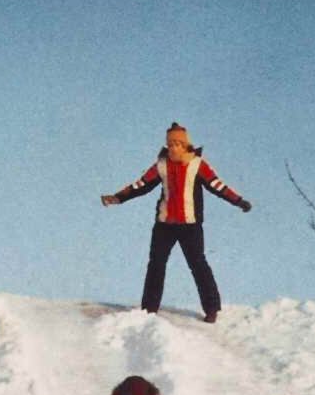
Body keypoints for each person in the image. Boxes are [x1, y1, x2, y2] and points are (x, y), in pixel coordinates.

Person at [101, 121, 251, 323]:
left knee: (198, 264)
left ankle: (212, 308)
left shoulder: (198, 165)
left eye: (177, 144)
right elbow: (141, 184)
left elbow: (218, 186)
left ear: (185, 145)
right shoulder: (161, 165)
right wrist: (117, 197)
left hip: (190, 225)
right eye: (170, 144)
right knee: (156, 264)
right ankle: (149, 309)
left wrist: (238, 201)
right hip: (164, 225)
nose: (172, 148)